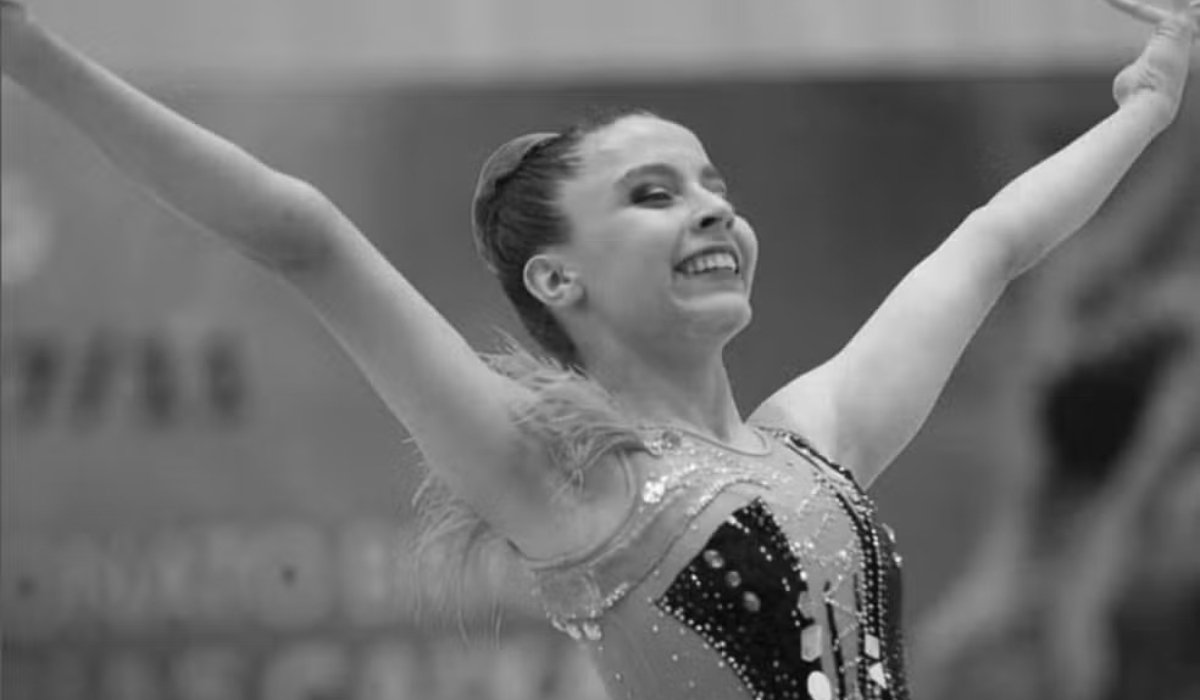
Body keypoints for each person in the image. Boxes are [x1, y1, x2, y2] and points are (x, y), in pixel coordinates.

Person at [2, 0, 1195, 698]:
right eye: (654, 194)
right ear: (557, 278)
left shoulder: (815, 440)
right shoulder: (569, 485)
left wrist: (1149, 102)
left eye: (716, 186)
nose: (712, 210)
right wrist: (30, 51)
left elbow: (990, 245)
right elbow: (302, 235)